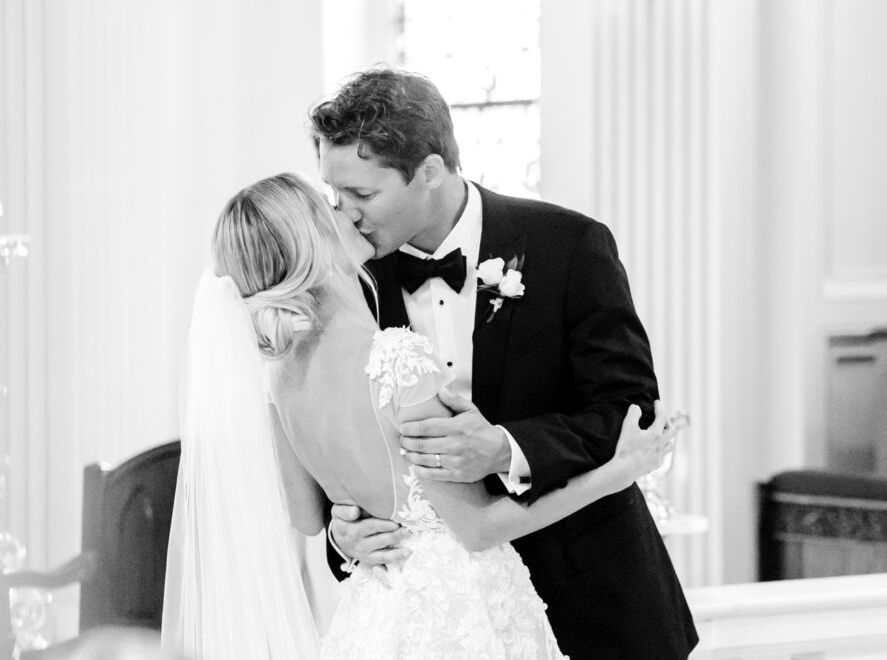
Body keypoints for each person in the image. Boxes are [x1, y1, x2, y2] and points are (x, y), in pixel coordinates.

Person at [160, 172, 676, 659]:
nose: (350, 213)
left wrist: (350, 520)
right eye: (332, 206)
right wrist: (615, 475)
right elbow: (476, 528)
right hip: (459, 612)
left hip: (377, 615)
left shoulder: (276, 381)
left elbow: (307, 516)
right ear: (315, 242)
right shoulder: (396, 360)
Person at [311, 68, 699, 659]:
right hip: (447, 623)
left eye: (363, 195)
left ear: (430, 172)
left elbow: (629, 413)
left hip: (592, 599)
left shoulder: (568, 245)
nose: (347, 215)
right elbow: (338, 440)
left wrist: (503, 448)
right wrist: (346, 532)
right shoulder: (350, 281)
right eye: (336, 196)